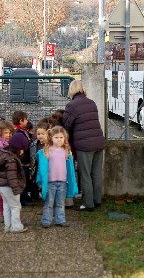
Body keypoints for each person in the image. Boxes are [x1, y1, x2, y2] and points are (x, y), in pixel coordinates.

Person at [62, 80, 106, 212]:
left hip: (84, 145)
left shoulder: (72, 105)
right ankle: (97, 200)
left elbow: (66, 125)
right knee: (96, 173)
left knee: (85, 174)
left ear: (71, 90)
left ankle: (88, 204)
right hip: (99, 142)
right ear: (82, 89)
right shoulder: (91, 102)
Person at [36, 126, 78, 228]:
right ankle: (46, 220)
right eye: (56, 137)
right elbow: (41, 167)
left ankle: (61, 220)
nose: (59, 139)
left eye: (61, 137)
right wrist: (41, 181)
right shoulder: (46, 151)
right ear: (51, 138)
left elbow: (70, 168)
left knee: (60, 203)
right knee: (49, 203)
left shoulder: (66, 151)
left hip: (63, 182)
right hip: (50, 182)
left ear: (65, 138)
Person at [0, 132, 29, 233]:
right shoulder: (11, 159)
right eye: (22, 149)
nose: (22, 152)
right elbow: (11, 176)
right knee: (16, 206)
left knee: (7, 206)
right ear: (18, 148)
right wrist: (16, 189)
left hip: (2, 186)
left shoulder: (2, 153)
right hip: (10, 187)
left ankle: (8, 226)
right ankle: (16, 227)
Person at [12, 111, 32, 206]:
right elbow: (24, 147)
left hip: (24, 162)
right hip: (22, 163)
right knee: (23, 181)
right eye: (26, 119)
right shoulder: (19, 134)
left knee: (25, 181)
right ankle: (23, 200)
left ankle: (26, 197)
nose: (27, 121)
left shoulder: (23, 132)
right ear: (21, 121)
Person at [30, 121, 50, 200]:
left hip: (47, 167)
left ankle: (47, 196)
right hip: (36, 165)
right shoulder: (34, 144)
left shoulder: (50, 144)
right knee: (35, 180)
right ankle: (35, 196)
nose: (40, 136)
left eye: (43, 134)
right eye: (38, 134)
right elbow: (32, 154)